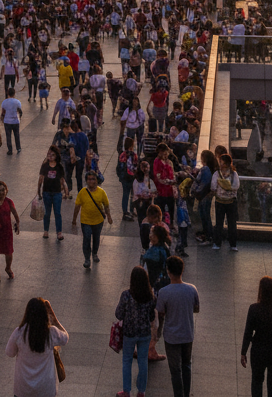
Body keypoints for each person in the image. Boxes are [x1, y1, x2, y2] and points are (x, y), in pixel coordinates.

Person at [5, 296, 68, 397]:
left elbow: (9, 352)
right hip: (46, 389)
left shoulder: (19, 333)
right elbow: (65, 338)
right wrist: (54, 320)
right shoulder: (51, 333)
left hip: (23, 389)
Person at [156, 254, 199, 397]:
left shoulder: (163, 292)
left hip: (171, 336)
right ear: (182, 270)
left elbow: (161, 312)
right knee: (187, 365)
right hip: (188, 333)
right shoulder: (192, 289)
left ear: (168, 271)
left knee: (175, 371)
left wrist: (159, 331)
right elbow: (196, 308)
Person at [240, 276, 272, 397]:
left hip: (258, 350)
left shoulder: (254, 308)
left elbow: (248, 332)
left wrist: (243, 352)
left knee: (257, 381)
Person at [115, 266, 156, 397]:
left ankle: (126, 391)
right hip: (145, 333)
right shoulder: (151, 296)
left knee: (127, 360)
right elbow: (151, 316)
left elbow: (118, 314)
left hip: (129, 333)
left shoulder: (126, 295)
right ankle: (141, 391)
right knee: (143, 361)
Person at [72, 168, 112, 270]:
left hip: (98, 221)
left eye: (93, 179)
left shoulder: (101, 192)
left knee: (96, 238)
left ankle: (94, 253)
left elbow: (106, 205)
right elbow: (77, 206)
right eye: (89, 179)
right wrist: (74, 219)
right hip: (85, 221)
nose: (91, 181)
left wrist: (109, 216)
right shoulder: (82, 192)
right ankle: (87, 259)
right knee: (86, 238)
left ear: (97, 181)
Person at [0, 180, 20, 282]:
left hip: (7, 231)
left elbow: (14, 212)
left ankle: (8, 268)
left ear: (6, 190)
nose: (1, 192)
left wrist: (17, 223)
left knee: (9, 252)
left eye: (3, 190)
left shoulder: (9, 201)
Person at [37, 147, 69, 241]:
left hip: (57, 193)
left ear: (56, 156)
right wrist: (38, 191)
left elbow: (63, 180)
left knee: (57, 213)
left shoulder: (59, 167)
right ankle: (46, 230)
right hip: (46, 192)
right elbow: (40, 179)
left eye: (52, 155)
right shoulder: (45, 166)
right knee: (47, 213)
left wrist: (66, 192)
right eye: (48, 154)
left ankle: (59, 232)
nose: (50, 156)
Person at [211, 153, 239, 251]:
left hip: (229, 201)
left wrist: (225, 186)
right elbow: (213, 186)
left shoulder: (233, 174)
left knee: (231, 223)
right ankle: (218, 242)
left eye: (222, 163)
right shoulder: (218, 174)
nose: (221, 165)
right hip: (221, 201)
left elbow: (236, 186)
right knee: (219, 223)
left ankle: (232, 243)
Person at [1, 87, 23, 154]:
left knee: (8, 136)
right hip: (15, 121)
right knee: (16, 135)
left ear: (7, 93)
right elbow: (20, 111)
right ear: (14, 93)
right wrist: (20, 117)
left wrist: (2, 118)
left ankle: (10, 150)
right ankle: (18, 148)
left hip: (7, 121)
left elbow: (3, 112)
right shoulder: (17, 102)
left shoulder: (4, 102)